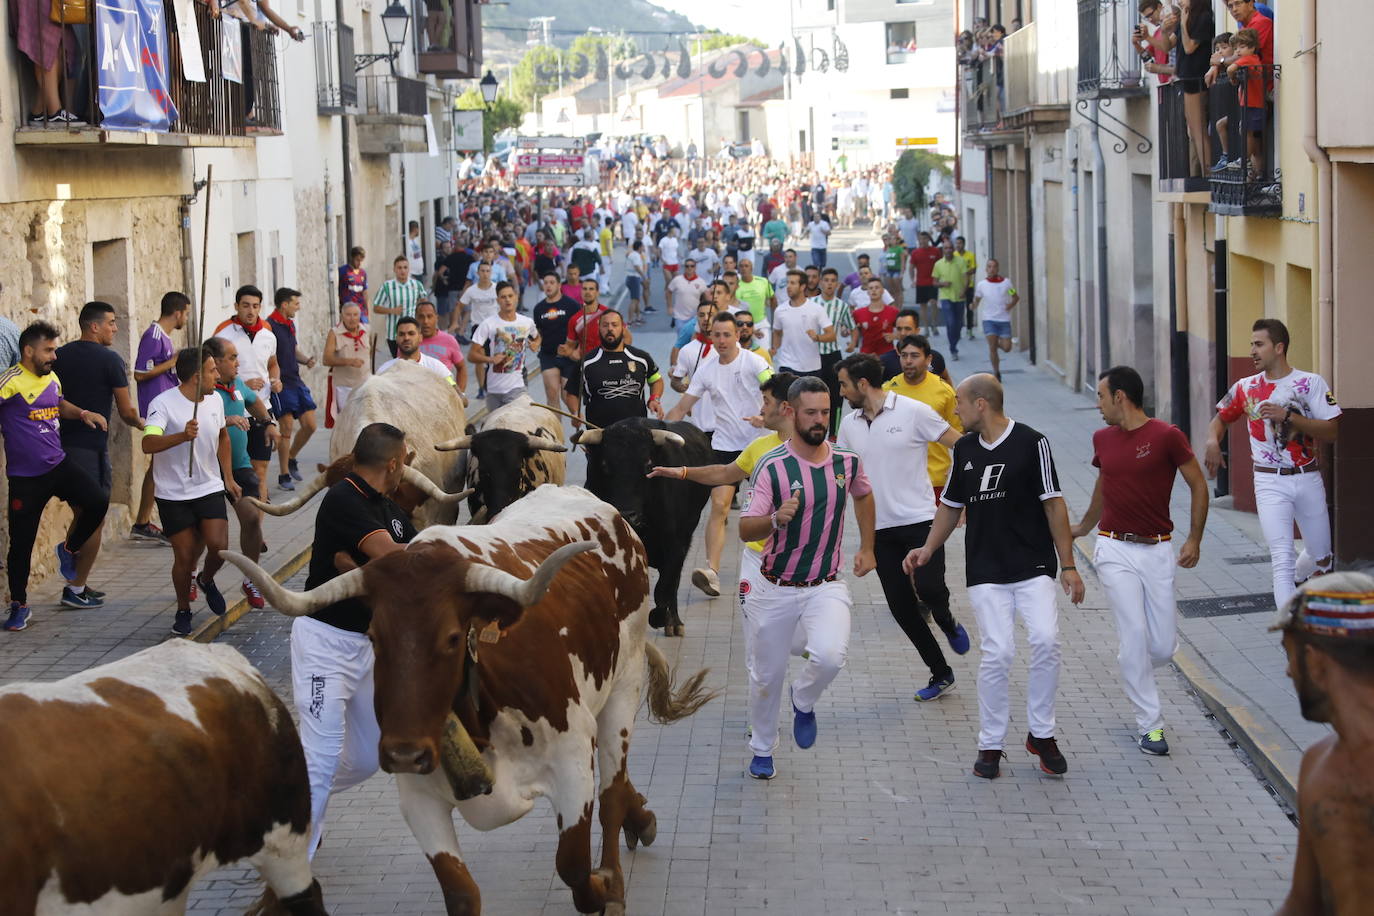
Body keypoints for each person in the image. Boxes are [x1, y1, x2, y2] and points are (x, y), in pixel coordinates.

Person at [904, 374, 1085, 780]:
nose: (956, 411)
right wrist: (928, 548)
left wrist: (1069, 565)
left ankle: (1042, 734)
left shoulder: (1032, 442)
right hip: (985, 569)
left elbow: (1054, 505)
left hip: (1033, 564)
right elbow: (950, 506)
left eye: (961, 403)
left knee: (1045, 640)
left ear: (981, 404)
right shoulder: (965, 449)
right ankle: (991, 743)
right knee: (999, 652)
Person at [737, 376, 877, 780]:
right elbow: (746, 529)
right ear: (790, 413)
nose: (819, 420)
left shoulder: (847, 462)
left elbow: (864, 495)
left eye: (824, 412)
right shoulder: (772, 466)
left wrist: (868, 547)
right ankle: (762, 749)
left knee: (831, 655)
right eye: (810, 413)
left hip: (825, 585)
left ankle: (803, 698)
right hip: (772, 587)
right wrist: (774, 519)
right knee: (766, 677)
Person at [291, 422, 417, 858]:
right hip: (324, 641)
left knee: (366, 757)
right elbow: (394, 559)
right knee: (323, 752)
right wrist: (374, 567)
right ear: (394, 463)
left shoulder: (390, 510)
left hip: (368, 647)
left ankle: (290, 793)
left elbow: (414, 561)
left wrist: (354, 568)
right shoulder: (344, 497)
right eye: (406, 460)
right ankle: (293, 870)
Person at [1070, 366, 1209, 756]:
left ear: (1120, 397)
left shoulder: (1167, 436)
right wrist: (1082, 526)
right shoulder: (1102, 438)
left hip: (1159, 549)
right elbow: (1104, 484)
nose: (1097, 404)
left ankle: (1134, 663)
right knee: (1134, 635)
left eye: (1100, 396)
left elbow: (1199, 484)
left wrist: (1194, 538)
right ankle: (1151, 726)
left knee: (1162, 646)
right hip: (1113, 549)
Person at [836, 354, 970, 701]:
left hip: (922, 521)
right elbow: (841, 474)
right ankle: (941, 673)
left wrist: (963, 494)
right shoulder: (848, 424)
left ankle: (947, 620)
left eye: (844, 384)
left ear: (862, 384)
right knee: (901, 607)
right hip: (878, 530)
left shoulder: (913, 411)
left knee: (930, 589)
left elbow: (963, 445)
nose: (841, 392)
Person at [1204, 318, 1340, 610]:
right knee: (1281, 556)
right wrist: (1213, 442)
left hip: (1307, 477)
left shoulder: (1310, 383)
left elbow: (1333, 431)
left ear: (1279, 348)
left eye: (1258, 344)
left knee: (1323, 557)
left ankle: (1300, 578)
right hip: (1269, 481)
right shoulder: (1245, 387)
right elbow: (1220, 419)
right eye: (1251, 345)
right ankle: (1289, 634)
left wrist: (1288, 417)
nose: (1252, 351)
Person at [1270, 571, 1374, 916]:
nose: (1288, 672)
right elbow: (1302, 905)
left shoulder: (1322, 770)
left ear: (1314, 661)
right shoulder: (1316, 765)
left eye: (1289, 654)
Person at [0, 322, 110, 630]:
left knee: (98, 502)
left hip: (58, 465)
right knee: (21, 545)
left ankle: (68, 548)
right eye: (48, 350)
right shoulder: (10, 382)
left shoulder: (53, 379)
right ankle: (19, 605)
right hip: (25, 477)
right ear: (28, 351)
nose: (54, 356)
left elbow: (57, 404)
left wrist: (84, 414)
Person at [668, 312, 773, 597]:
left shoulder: (754, 362)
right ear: (710, 337)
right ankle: (711, 572)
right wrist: (659, 429)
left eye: (728, 334)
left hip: (762, 444)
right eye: (717, 335)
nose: (722, 340)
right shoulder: (706, 369)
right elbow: (682, 406)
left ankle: (773, 565)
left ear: (738, 335)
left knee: (769, 509)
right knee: (719, 506)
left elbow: (774, 389)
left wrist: (766, 418)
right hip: (725, 446)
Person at [53, 302, 145, 607]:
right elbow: (128, 410)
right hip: (90, 449)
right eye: (111, 323)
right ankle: (75, 587)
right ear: (93, 326)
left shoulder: (60, 355)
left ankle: (79, 582)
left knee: (82, 514)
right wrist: (148, 426)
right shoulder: (110, 360)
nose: (115, 328)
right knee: (94, 518)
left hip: (60, 446)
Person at [142, 347, 238, 638]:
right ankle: (183, 609)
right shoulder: (162, 404)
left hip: (208, 485)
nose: (217, 375)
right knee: (184, 558)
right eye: (212, 371)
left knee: (218, 546)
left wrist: (229, 477)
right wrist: (182, 436)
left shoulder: (216, 401)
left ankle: (207, 579)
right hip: (173, 492)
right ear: (197, 376)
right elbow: (148, 444)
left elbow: (222, 436)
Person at [204, 337, 276, 612]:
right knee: (208, 538)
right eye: (232, 357)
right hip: (208, 470)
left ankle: (251, 579)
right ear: (216, 361)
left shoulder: (237, 385)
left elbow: (254, 401)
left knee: (252, 520)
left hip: (240, 466)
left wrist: (268, 422)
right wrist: (226, 420)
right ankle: (199, 578)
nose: (238, 362)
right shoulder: (203, 392)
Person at [131, 291, 189, 544]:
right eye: (186, 313)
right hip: (157, 410)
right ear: (177, 312)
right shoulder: (153, 336)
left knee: (158, 466)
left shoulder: (163, 338)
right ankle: (146, 522)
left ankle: (143, 522)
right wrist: (172, 362)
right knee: (160, 466)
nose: (186, 318)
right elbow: (139, 373)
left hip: (167, 407)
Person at [214, 286, 282, 501]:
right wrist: (243, 384)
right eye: (245, 306)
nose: (251, 311)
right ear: (236, 307)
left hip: (263, 407)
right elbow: (213, 369)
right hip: (235, 411)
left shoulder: (268, 335)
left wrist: (275, 379)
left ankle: (257, 530)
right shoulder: (223, 334)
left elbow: (273, 364)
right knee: (244, 470)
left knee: (260, 471)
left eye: (255, 306)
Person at [883, 334, 962, 500]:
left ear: (928, 359)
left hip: (935, 480)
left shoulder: (945, 391)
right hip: (899, 481)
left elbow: (961, 439)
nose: (908, 361)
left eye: (915, 356)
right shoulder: (888, 391)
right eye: (904, 356)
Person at [267, 288, 318, 493]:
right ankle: (283, 474)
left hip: (295, 381)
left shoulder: (289, 324)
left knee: (311, 425)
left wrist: (306, 360)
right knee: (286, 428)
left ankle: (291, 457)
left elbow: (293, 349)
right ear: (284, 304)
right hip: (280, 383)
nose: (298, 307)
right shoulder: (268, 326)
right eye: (295, 303)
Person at [575, 310, 663, 430]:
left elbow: (656, 380)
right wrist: (575, 412)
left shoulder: (641, 358)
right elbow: (571, 393)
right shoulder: (586, 362)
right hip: (599, 433)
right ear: (599, 328)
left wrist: (655, 399)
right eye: (605, 325)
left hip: (636, 430)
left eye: (614, 325)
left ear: (623, 328)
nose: (610, 329)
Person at [468, 281, 537, 413]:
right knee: (495, 429)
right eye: (503, 297)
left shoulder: (527, 322)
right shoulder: (488, 324)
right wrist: (490, 359)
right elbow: (471, 355)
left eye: (510, 296)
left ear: (516, 297)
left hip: (517, 387)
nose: (507, 300)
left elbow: (537, 336)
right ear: (498, 300)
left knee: (516, 424)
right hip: (494, 389)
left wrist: (535, 344)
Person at [533, 271, 581, 419]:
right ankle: (556, 435)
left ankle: (581, 426)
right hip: (548, 355)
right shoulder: (539, 308)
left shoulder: (572, 305)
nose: (548, 286)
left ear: (559, 285)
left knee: (567, 397)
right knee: (552, 394)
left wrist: (576, 352)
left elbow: (581, 330)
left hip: (568, 357)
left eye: (552, 282)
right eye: (545, 283)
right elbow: (539, 332)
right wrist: (536, 343)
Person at [771, 270, 833, 378]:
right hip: (786, 364)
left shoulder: (816, 309)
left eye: (793, 283)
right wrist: (775, 349)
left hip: (812, 366)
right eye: (787, 283)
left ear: (802, 286)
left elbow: (831, 335)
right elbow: (776, 332)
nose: (788, 287)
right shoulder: (780, 310)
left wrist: (817, 337)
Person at [371, 255, 427, 360]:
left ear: (408, 269)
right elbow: (376, 307)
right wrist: (392, 310)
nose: (402, 271)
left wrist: (419, 315)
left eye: (405, 267)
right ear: (394, 269)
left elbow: (424, 303)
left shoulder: (416, 285)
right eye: (399, 268)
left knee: (413, 360)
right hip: (394, 334)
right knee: (399, 362)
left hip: (413, 332)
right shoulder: (387, 286)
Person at [323, 302, 369, 428]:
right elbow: (326, 359)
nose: (352, 318)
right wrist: (349, 361)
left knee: (364, 424)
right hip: (344, 387)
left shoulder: (367, 330)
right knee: (347, 425)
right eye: (348, 315)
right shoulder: (335, 333)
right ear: (342, 315)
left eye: (355, 315)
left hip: (365, 385)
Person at [972, 259, 1019, 380]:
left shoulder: (1006, 283)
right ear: (986, 269)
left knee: (1007, 348)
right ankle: (996, 372)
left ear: (998, 268)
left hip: (1003, 320)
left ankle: (995, 343)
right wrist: (973, 305)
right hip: (989, 320)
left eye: (994, 267)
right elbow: (977, 299)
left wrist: (1010, 305)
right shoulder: (982, 285)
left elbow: (1015, 296)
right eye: (989, 267)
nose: (991, 269)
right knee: (992, 348)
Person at [457, 261, 498, 392]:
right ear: (477, 273)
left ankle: (492, 384)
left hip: (495, 328)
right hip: (478, 328)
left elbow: (509, 304)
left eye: (488, 271)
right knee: (479, 359)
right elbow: (460, 305)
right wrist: (457, 323)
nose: (485, 274)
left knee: (495, 357)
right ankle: (481, 387)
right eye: (482, 271)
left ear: (491, 273)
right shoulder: (471, 290)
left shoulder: (497, 289)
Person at [380, 316, 457, 384]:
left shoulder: (437, 367)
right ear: (396, 339)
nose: (406, 338)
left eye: (411, 333)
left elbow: (453, 389)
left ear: (420, 338)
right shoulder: (385, 370)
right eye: (401, 334)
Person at [414, 299, 467, 393]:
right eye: (421, 317)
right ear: (415, 319)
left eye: (429, 316)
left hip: (444, 394)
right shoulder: (409, 342)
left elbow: (461, 367)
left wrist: (460, 394)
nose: (426, 321)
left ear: (436, 318)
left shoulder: (449, 340)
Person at [932, 242, 971, 361]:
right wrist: (942, 284)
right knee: (951, 322)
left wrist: (964, 291)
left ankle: (955, 341)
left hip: (959, 296)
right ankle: (953, 348)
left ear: (953, 249)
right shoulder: (938, 264)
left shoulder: (961, 261)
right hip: (945, 297)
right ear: (943, 250)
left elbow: (966, 278)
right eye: (946, 248)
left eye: (950, 248)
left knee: (958, 324)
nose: (948, 250)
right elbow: (934, 282)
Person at [908, 231, 942, 337]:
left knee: (933, 303)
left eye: (925, 239)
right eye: (920, 239)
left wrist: (940, 278)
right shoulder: (915, 253)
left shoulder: (935, 251)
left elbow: (941, 265)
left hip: (933, 282)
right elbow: (911, 267)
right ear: (918, 240)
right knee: (923, 306)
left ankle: (934, 325)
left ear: (928, 239)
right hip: (920, 283)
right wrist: (912, 279)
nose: (922, 241)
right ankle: (926, 328)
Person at [853, 278, 899, 356]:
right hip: (866, 355)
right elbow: (850, 331)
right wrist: (851, 340)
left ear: (883, 291)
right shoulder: (858, 313)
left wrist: (895, 336)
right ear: (867, 292)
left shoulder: (893, 312)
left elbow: (904, 331)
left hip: (887, 355)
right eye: (871, 288)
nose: (874, 290)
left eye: (877, 288)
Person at [667, 258, 708, 330]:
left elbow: (705, 297)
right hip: (679, 317)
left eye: (692, 266)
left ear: (695, 267)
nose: (689, 268)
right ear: (684, 267)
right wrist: (670, 306)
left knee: (693, 339)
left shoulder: (701, 282)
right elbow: (668, 291)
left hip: (694, 317)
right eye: (687, 266)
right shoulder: (677, 280)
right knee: (682, 338)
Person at [954, 237, 977, 341]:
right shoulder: (953, 255)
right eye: (957, 243)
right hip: (957, 286)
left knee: (969, 308)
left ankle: (970, 329)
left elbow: (974, 269)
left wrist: (964, 273)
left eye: (960, 243)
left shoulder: (970, 255)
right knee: (958, 310)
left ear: (964, 244)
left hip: (969, 285)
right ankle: (957, 330)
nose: (958, 245)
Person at [338, 247, 368, 323]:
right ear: (352, 258)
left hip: (361, 311)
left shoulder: (363, 273)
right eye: (357, 260)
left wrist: (367, 312)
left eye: (361, 260)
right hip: (348, 311)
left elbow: (365, 293)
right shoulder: (343, 271)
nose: (359, 263)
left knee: (364, 332)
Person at [626, 239, 648, 325]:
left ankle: (638, 317)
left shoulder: (633, 254)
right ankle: (630, 320)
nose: (643, 248)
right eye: (642, 246)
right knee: (634, 300)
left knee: (637, 299)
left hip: (630, 278)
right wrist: (644, 276)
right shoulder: (636, 256)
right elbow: (637, 267)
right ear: (639, 247)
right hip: (634, 278)